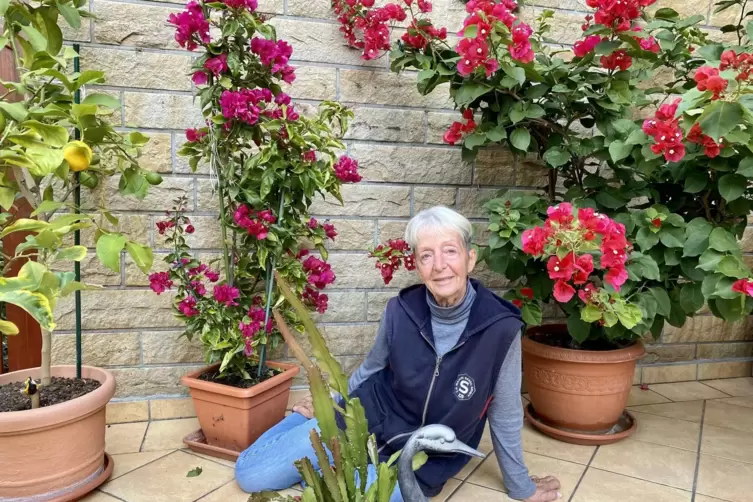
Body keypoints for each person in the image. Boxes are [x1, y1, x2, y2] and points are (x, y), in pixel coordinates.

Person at [235, 206, 562, 502]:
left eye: (450, 251)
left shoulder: (500, 329)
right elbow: (371, 368)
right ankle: (304, 424)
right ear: (418, 266)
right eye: (426, 256)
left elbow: (504, 414)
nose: (440, 266)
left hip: (420, 461)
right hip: (364, 422)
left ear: (470, 258)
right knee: (251, 475)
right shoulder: (400, 310)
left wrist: (522, 487)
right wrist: (328, 403)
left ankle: (333, 466)